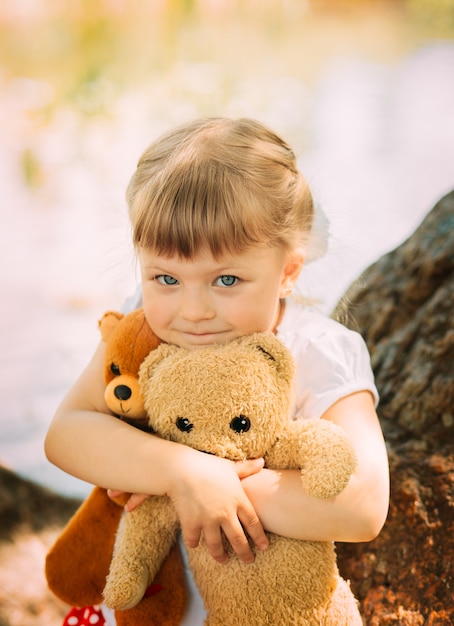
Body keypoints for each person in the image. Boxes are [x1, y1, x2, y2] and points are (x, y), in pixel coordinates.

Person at [45, 117, 389, 625]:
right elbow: (67, 433)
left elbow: (361, 504)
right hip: (164, 603)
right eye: (165, 277)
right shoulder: (146, 327)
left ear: (287, 271)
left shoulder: (314, 350)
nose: (194, 309)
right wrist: (182, 472)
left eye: (226, 279)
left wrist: (221, 487)